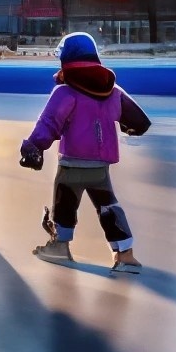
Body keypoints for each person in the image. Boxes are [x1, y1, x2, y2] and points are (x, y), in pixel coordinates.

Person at [20, 31, 151, 274]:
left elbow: (49, 123)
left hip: (72, 162)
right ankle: (125, 255)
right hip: (100, 165)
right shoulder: (113, 92)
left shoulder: (65, 93)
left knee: (64, 203)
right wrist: (129, 126)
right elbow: (139, 121)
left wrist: (33, 146)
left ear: (66, 60)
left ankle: (60, 246)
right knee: (108, 205)